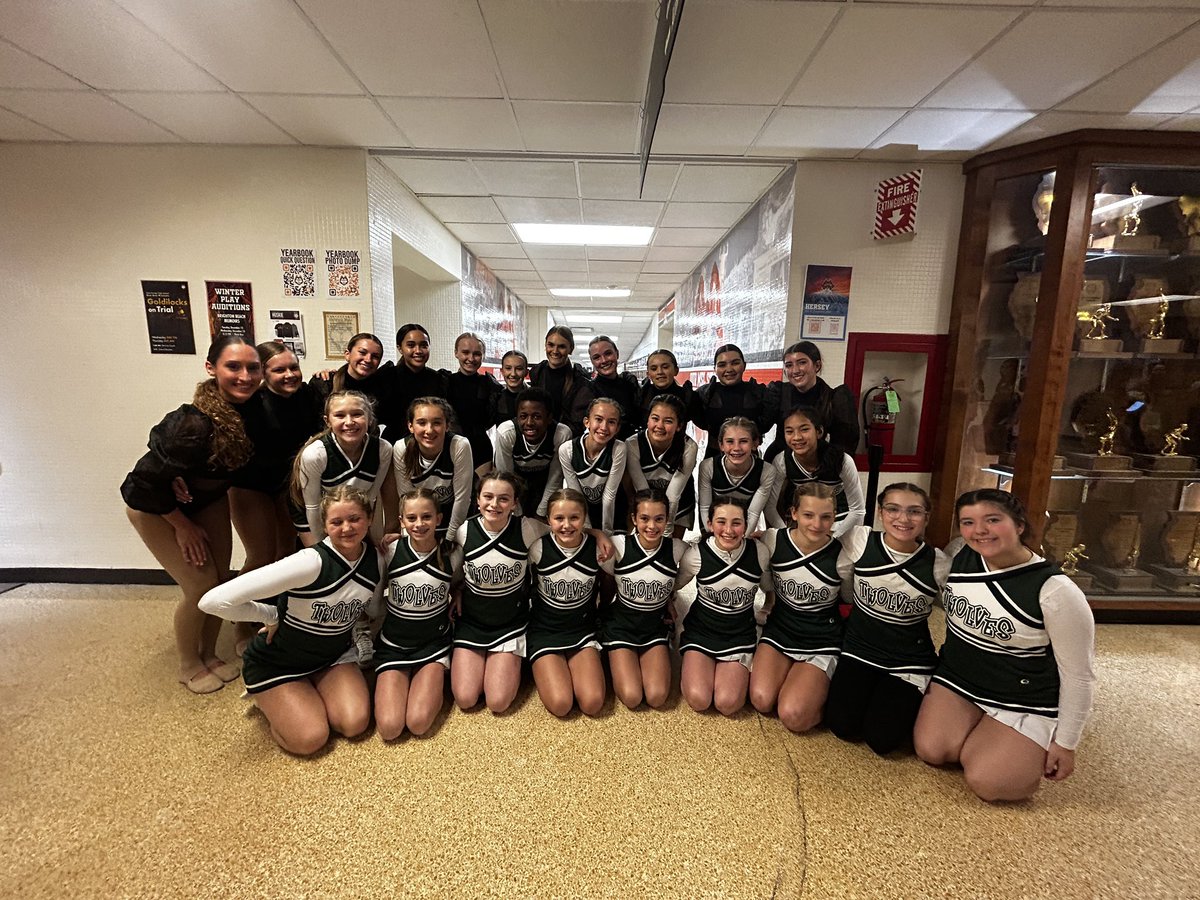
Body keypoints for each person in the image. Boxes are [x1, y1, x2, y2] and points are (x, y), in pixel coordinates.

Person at [914, 489, 1096, 802]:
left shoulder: (1055, 591)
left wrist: (1066, 742)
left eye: (993, 520)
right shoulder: (962, 557)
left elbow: (1079, 676)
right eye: (968, 522)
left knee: (991, 783)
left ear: (1020, 525)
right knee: (932, 750)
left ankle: (1008, 738)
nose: (979, 530)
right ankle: (985, 732)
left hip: (1022, 695)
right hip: (960, 680)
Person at [122, 336, 261, 694]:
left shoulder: (249, 411)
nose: (245, 376)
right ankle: (188, 663)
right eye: (234, 366)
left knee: (219, 582)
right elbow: (138, 485)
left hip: (209, 500)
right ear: (211, 368)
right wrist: (181, 526)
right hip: (158, 509)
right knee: (198, 584)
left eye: (252, 367)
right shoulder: (192, 423)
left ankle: (209, 653)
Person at [198, 485, 378, 755]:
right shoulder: (309, 562)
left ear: (369, 519)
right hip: (279, 661)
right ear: (324, 525)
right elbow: (212, 601)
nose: (347, 528)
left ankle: (308, 691)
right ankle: (269, 699)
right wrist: (269, 615)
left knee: (354, 724)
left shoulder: (375, 558)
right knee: (310, 739)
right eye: (336, 522)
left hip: (332, 656)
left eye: (355, 519)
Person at [451, 473, 612, 713]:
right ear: (477, 500)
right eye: (488, 497)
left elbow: (564, 529)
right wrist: (458, 590)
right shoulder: (464, 531)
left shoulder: (528, 529)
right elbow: (454, 567)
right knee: (465, 699)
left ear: (515, 503)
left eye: (504, 499)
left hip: (511, 625)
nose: (495, 504)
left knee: (498, 702)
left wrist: (597, 534)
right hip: (473, 622)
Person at [828, 483, 949, 756]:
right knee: (842, 725)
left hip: (908, 660)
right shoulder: (861, 541)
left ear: (927, 518)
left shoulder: (938, 563)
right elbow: (845, 585)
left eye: (914, 512)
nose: (903, 519)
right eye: (893, 509)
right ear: (881, 513)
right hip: (860, 650)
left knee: (882, 739)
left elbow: (955, 616)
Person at [749, 484, 844, 733]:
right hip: (780, 632)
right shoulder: (773, 540)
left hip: (821, 640)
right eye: (808, 515)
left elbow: (848, 598)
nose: (817, 524)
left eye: (826, 516)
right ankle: (798, 681)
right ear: (793, 513)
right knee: (761, 700)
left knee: (793, 716)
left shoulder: (843, 555)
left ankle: (823, 689)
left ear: (835, 517)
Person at [372, 488, 462, 739]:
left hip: (433, 644)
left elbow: (458, 583)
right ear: (401, 521)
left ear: (439, 519)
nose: (419, 524)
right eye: (411, 518)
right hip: (394, 643)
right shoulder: (389, 552)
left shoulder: (452, 552)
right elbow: (375, 601)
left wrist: (459, 594)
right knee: (389, 728)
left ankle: (433, 677)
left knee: (419, 723)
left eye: (426, 517)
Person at [599, 490, 700, 709]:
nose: (652, 526)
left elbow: (684, 575)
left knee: (657, 696)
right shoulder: (618, 546)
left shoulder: (677, 549)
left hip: (654, 627)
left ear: (667, 520)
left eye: (659, 519)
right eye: (644, 518)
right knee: (632, 696)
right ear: (634, 519)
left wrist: (668, 597)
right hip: (622, 626)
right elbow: (606, 577)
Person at [228, 342, 322, 574]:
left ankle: (276, 608)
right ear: (262, 372)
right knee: (262, 556)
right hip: (250, 486)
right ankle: (237, 607)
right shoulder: (249, 402)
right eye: (279, 370)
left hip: (287, 484)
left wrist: (331, 374)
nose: (289, 374)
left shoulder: (308, 395)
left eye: (294, 367)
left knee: (287, 553)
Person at [679, 497, 772, 716]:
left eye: (736, 523)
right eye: (721, 522)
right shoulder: (696, 555)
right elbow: (673, 585)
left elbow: (770, 587)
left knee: (728, 703)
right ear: (710, 524)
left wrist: (769, 607)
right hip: (701, 632)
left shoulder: (759, 553)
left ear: (746, 526)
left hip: (739, 635)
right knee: (699, 699)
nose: (728, 530)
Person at [527, 489, 606, 717]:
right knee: (561, 704)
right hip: (545, 630)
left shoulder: (597, 549)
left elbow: (609, 585)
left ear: (584, 518)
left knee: (592, 703)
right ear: (549, 520)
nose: (567, 525)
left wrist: (598, 533)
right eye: (559, 518)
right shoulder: (537, 547)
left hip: (582, 630)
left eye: (574, 518)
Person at [291, 391, 396, 546]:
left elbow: (370, 499)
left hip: (352, 516)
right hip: (312, 516)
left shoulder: (383, 449)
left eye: (357, 414)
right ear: (327, 421)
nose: (349, 422)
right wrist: (323, 547)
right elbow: (312, 507)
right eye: (340, 416)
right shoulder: (315, 455)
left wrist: (372, 540)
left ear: (369, 418)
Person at [767, 407, 864, 538]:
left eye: (804, 429)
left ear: (819, 431)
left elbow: (858, 510)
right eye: (789, 431)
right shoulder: (781, 461)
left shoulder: (842, 460)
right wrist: (785, 535)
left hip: (839, 523)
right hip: (802, 525)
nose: (796, 437)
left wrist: (834, 539)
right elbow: (770, 507)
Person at [391, 396, 472, 542]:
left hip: (453, 518)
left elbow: (462, 498)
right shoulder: (401, 448)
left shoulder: (459, 445)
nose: (429, 430)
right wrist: (410, 539)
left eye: (437, 423)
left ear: (447, 425)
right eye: (421, 423)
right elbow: (406, 499)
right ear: (410, 426)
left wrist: (449, 540)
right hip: (420, 520)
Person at [764, 341, 860, 460]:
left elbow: (846, 445)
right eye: (789, 365)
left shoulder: (835, 398)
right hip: (780, 460)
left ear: (817, 365)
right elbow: (760, 426)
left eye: (802, 363)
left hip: (820, 462)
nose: (795, 370)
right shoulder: (778, 393)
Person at [625, 393, 698, 537]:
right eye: (655, 418)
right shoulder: (632, 444)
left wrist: (665, 533)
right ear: (647, 420)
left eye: (668, 421)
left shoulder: (689, 447)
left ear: (679, 426)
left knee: (671, 550)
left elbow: (673, 495)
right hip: (644, 500)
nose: (659, 426)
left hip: (678, 504)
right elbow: (642, 491)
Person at [492, 387, 572, 518]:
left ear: (550, 418)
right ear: (517, 417)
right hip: (516, 484)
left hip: (544, 484)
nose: (529, 423)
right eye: (523, 416)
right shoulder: (506, 433)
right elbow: (506, 478)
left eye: (537, 416)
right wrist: (517, 515)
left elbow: (555, 478)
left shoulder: (561, 434)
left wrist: (541, 513)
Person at [696, 416, 779, 533]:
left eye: (743, 441)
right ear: (721, 445)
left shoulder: (766, 471)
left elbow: (753, 513)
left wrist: (741, 538)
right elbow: (705, 508)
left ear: (755, 443)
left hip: (742, 530)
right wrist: (714, 536)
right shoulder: (708, 466)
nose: (736, 448)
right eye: (730, 441)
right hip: (712, 529)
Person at [558, 397, 628, 532]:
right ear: (587, 422)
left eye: (611, 422)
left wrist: (607, 533)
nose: (604, 427)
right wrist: (588, 529)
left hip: (614, 513)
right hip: (584, 513)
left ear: (618, 428)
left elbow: (609, 495)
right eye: (599, 419)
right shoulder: (567, 450)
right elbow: (576, 494)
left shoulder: (618, 448)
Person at [694, 344, 770, 459]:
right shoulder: (704, 394)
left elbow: (765, 424)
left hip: (749, 460)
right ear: (714, 368)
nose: (729, 369)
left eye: (735, 363)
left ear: (744, 365)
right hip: (714, 458)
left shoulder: (758, 393)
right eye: (722, 365)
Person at [443, 332, 502, 476]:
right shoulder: (444, 383)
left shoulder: (490, 385)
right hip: (451, 446)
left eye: (476, 354)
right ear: (456, 353)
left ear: (482, 356)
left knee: (481, 493)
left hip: (480, 447)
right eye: (465, 352)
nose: (471, 358)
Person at [380, 323, 446, 444]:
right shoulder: (387, 377)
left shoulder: (439, 379)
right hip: (394, 443)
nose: (418, 351)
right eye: (411, 345)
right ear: (400, 348)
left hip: (430, 442)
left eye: (423, 345)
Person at [309, 332, 392, 426]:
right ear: (347, 354)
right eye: (362, 352)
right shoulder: (324, 384)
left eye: (375, 356)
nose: (368, 359)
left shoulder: (383, 388)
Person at [528, 326, 593, 436]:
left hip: (567, 441)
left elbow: (577, 421)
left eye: (562, 346)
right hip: (538, 438)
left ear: (570, 349)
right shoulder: (536, 373)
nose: (555, 351)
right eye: (551, 345)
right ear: (545, 345)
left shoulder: (579, 380)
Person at [587, 336, 640, 439]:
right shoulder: (589, 390)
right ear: (592, 362)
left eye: (608, 353)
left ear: (617, 353)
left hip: (632, 447)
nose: (603, 360)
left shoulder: (629, 385)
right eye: (597, 357)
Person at [635, 349, 700, 431]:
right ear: (648, 374)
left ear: (676, 370)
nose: (660, 372)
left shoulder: (688, 397)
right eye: (654, 369)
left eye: (665, 367)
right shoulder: (641, 396)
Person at [490, 350, 529, 427]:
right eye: (508, 368)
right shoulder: (496, 398)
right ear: (502, 371)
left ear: (526, 372)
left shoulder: (536, 398)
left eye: (519, 368)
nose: (513, 374)